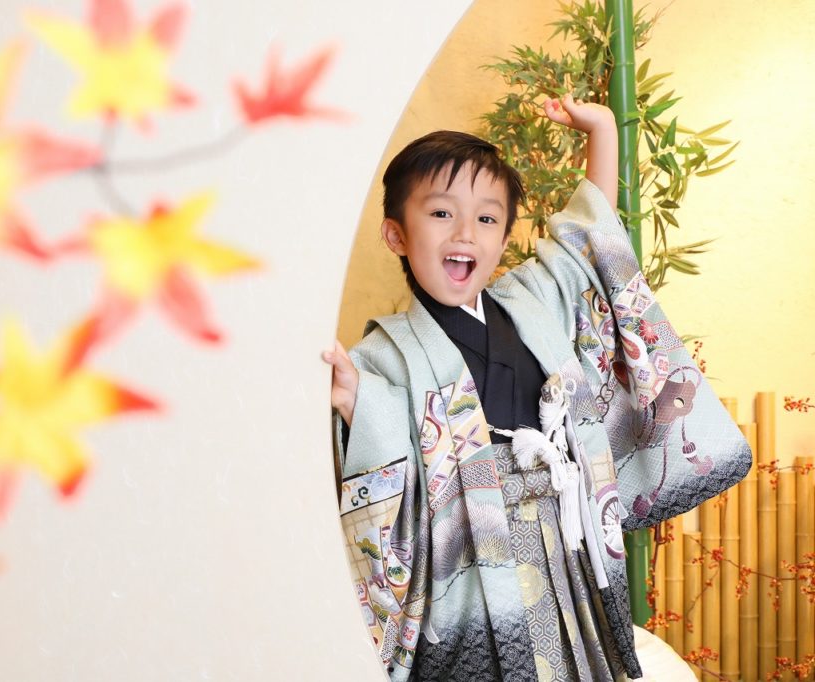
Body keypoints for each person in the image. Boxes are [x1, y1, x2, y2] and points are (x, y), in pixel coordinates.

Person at [322, 95, 751, 681]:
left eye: (488, 218)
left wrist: (601, 130)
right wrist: (357, 403)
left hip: (560, 527)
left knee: (571, 659)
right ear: (396, 234)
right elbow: (389, 455)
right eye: (442, 214)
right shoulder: (382, 354)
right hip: (473, 553)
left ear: (504, 237)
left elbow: (587, 237)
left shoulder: (531, 298)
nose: (466, 233)